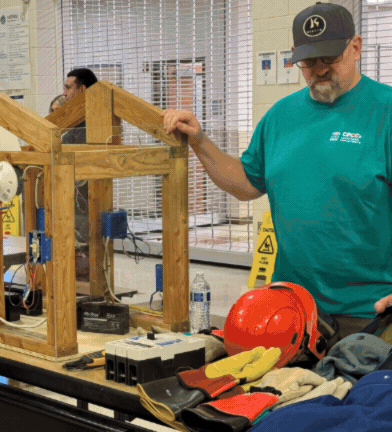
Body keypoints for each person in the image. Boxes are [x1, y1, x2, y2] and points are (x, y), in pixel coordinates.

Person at [162, 2, 392, 340]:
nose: (319, 70)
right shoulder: (281, 116)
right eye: (309, 61)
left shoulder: (384, 111)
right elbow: (244, 183)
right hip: (293, 312)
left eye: (330, 58)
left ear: (355, 47)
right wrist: (198, 141)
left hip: (371, 314)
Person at [61, 68, 98, 144]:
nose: (64, 93)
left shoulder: (91, 124)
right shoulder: (76, 119)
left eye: (68, 88)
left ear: (82, 90)